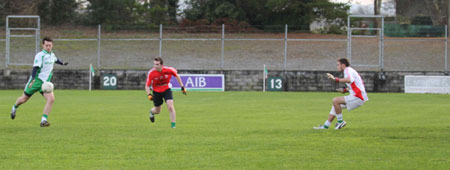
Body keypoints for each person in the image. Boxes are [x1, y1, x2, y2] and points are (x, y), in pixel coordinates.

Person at [10, 37, 69, 127]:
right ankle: (14, 107)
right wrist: (33, 79)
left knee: (51, 99)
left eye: (50, 45)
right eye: (46, 45)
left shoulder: (52, 55)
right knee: (23, 99)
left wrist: (63, 63)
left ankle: (43, 120)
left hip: (45, 84)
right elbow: (35, 68)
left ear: (52, 45)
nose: (48, 47)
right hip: (36, 81)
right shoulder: (40, 55)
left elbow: (56, 60)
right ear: (43, 45)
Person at [314, 58, 368, 130]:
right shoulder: (349, 70)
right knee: (335, 106)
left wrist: (335, 79)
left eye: (338, 65)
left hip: (358, 96)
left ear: (343, 65)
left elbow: (349, 79)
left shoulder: (347, 70)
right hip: (357, 95)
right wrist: (345, 90)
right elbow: (354, 85)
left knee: (335, 101)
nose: (337, 66)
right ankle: (325, 126)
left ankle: (340, 122)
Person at [145, 57, 186, 128]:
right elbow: (147, 86)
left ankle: (173, 126)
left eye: (157, 64)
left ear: (161, 64)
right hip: (156, 92)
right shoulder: (151, 73)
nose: (155, 66)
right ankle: (151, 112)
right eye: (154, 64)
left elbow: (177, 76)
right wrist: (149, 94)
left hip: (166, 89)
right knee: (158, 111)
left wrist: (182, 87)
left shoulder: (169, 70)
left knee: (170, 107)